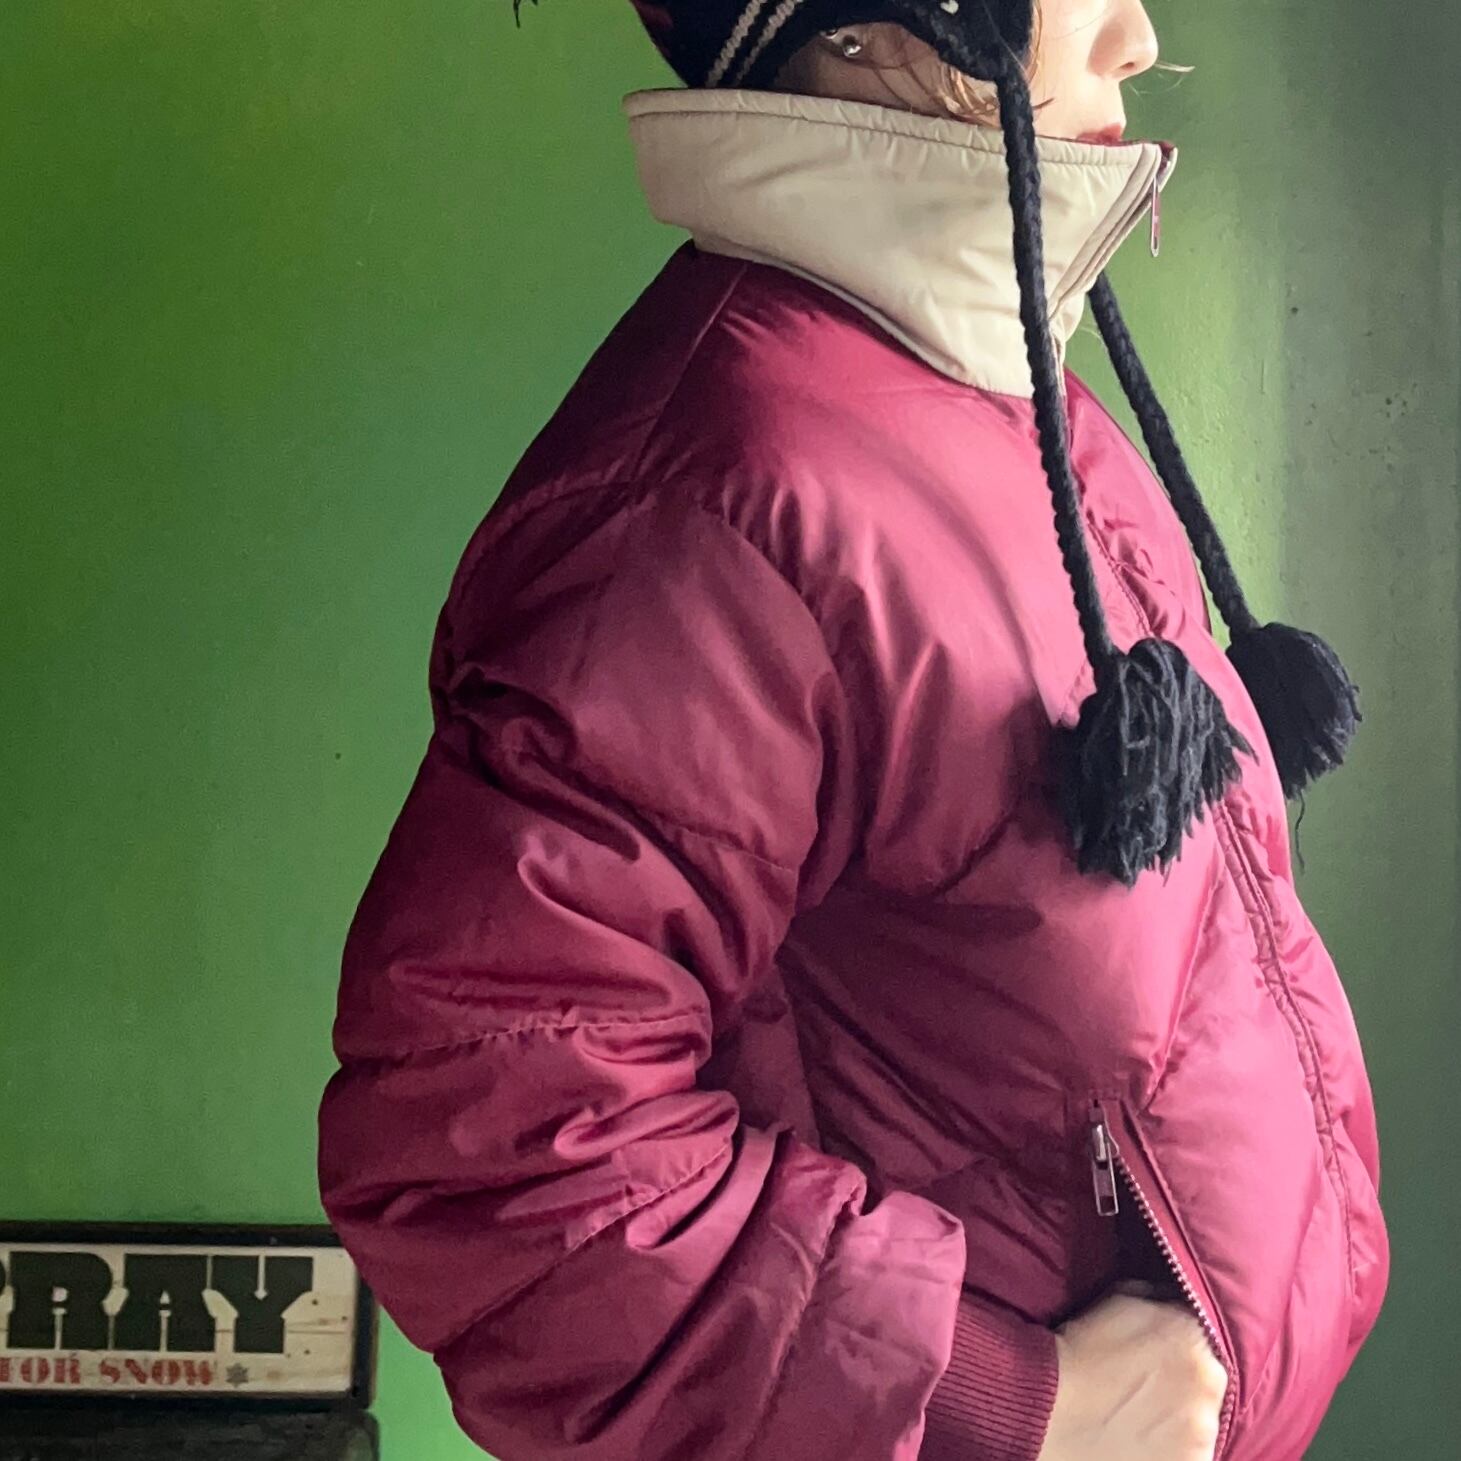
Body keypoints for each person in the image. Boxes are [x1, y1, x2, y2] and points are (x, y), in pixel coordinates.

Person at [316, 3, 1390, 1458]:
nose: (1136, 36)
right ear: (877, 28)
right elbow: (496, 1148)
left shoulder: (984, 379)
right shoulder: (727, 495)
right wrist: (1018, 1400)